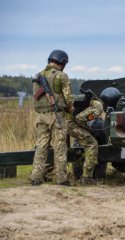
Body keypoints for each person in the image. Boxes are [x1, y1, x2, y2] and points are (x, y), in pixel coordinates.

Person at [30, 50, 74, 186]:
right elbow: (68, 98)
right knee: (60, 147)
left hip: (41, 117)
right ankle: (62, 179)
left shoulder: (38, 75)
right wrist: (70, 108)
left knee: (41, 146)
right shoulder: (62, 76)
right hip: (56, 116)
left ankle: (36, 177)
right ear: (62, 62)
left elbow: (36, 96)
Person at [68, 95, 105, 184]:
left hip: (61, 122)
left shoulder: (81, 101)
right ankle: (87, 178)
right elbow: (80, 118)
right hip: (70, 125)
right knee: (92, 144)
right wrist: (88, 128)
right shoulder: (98, 106)